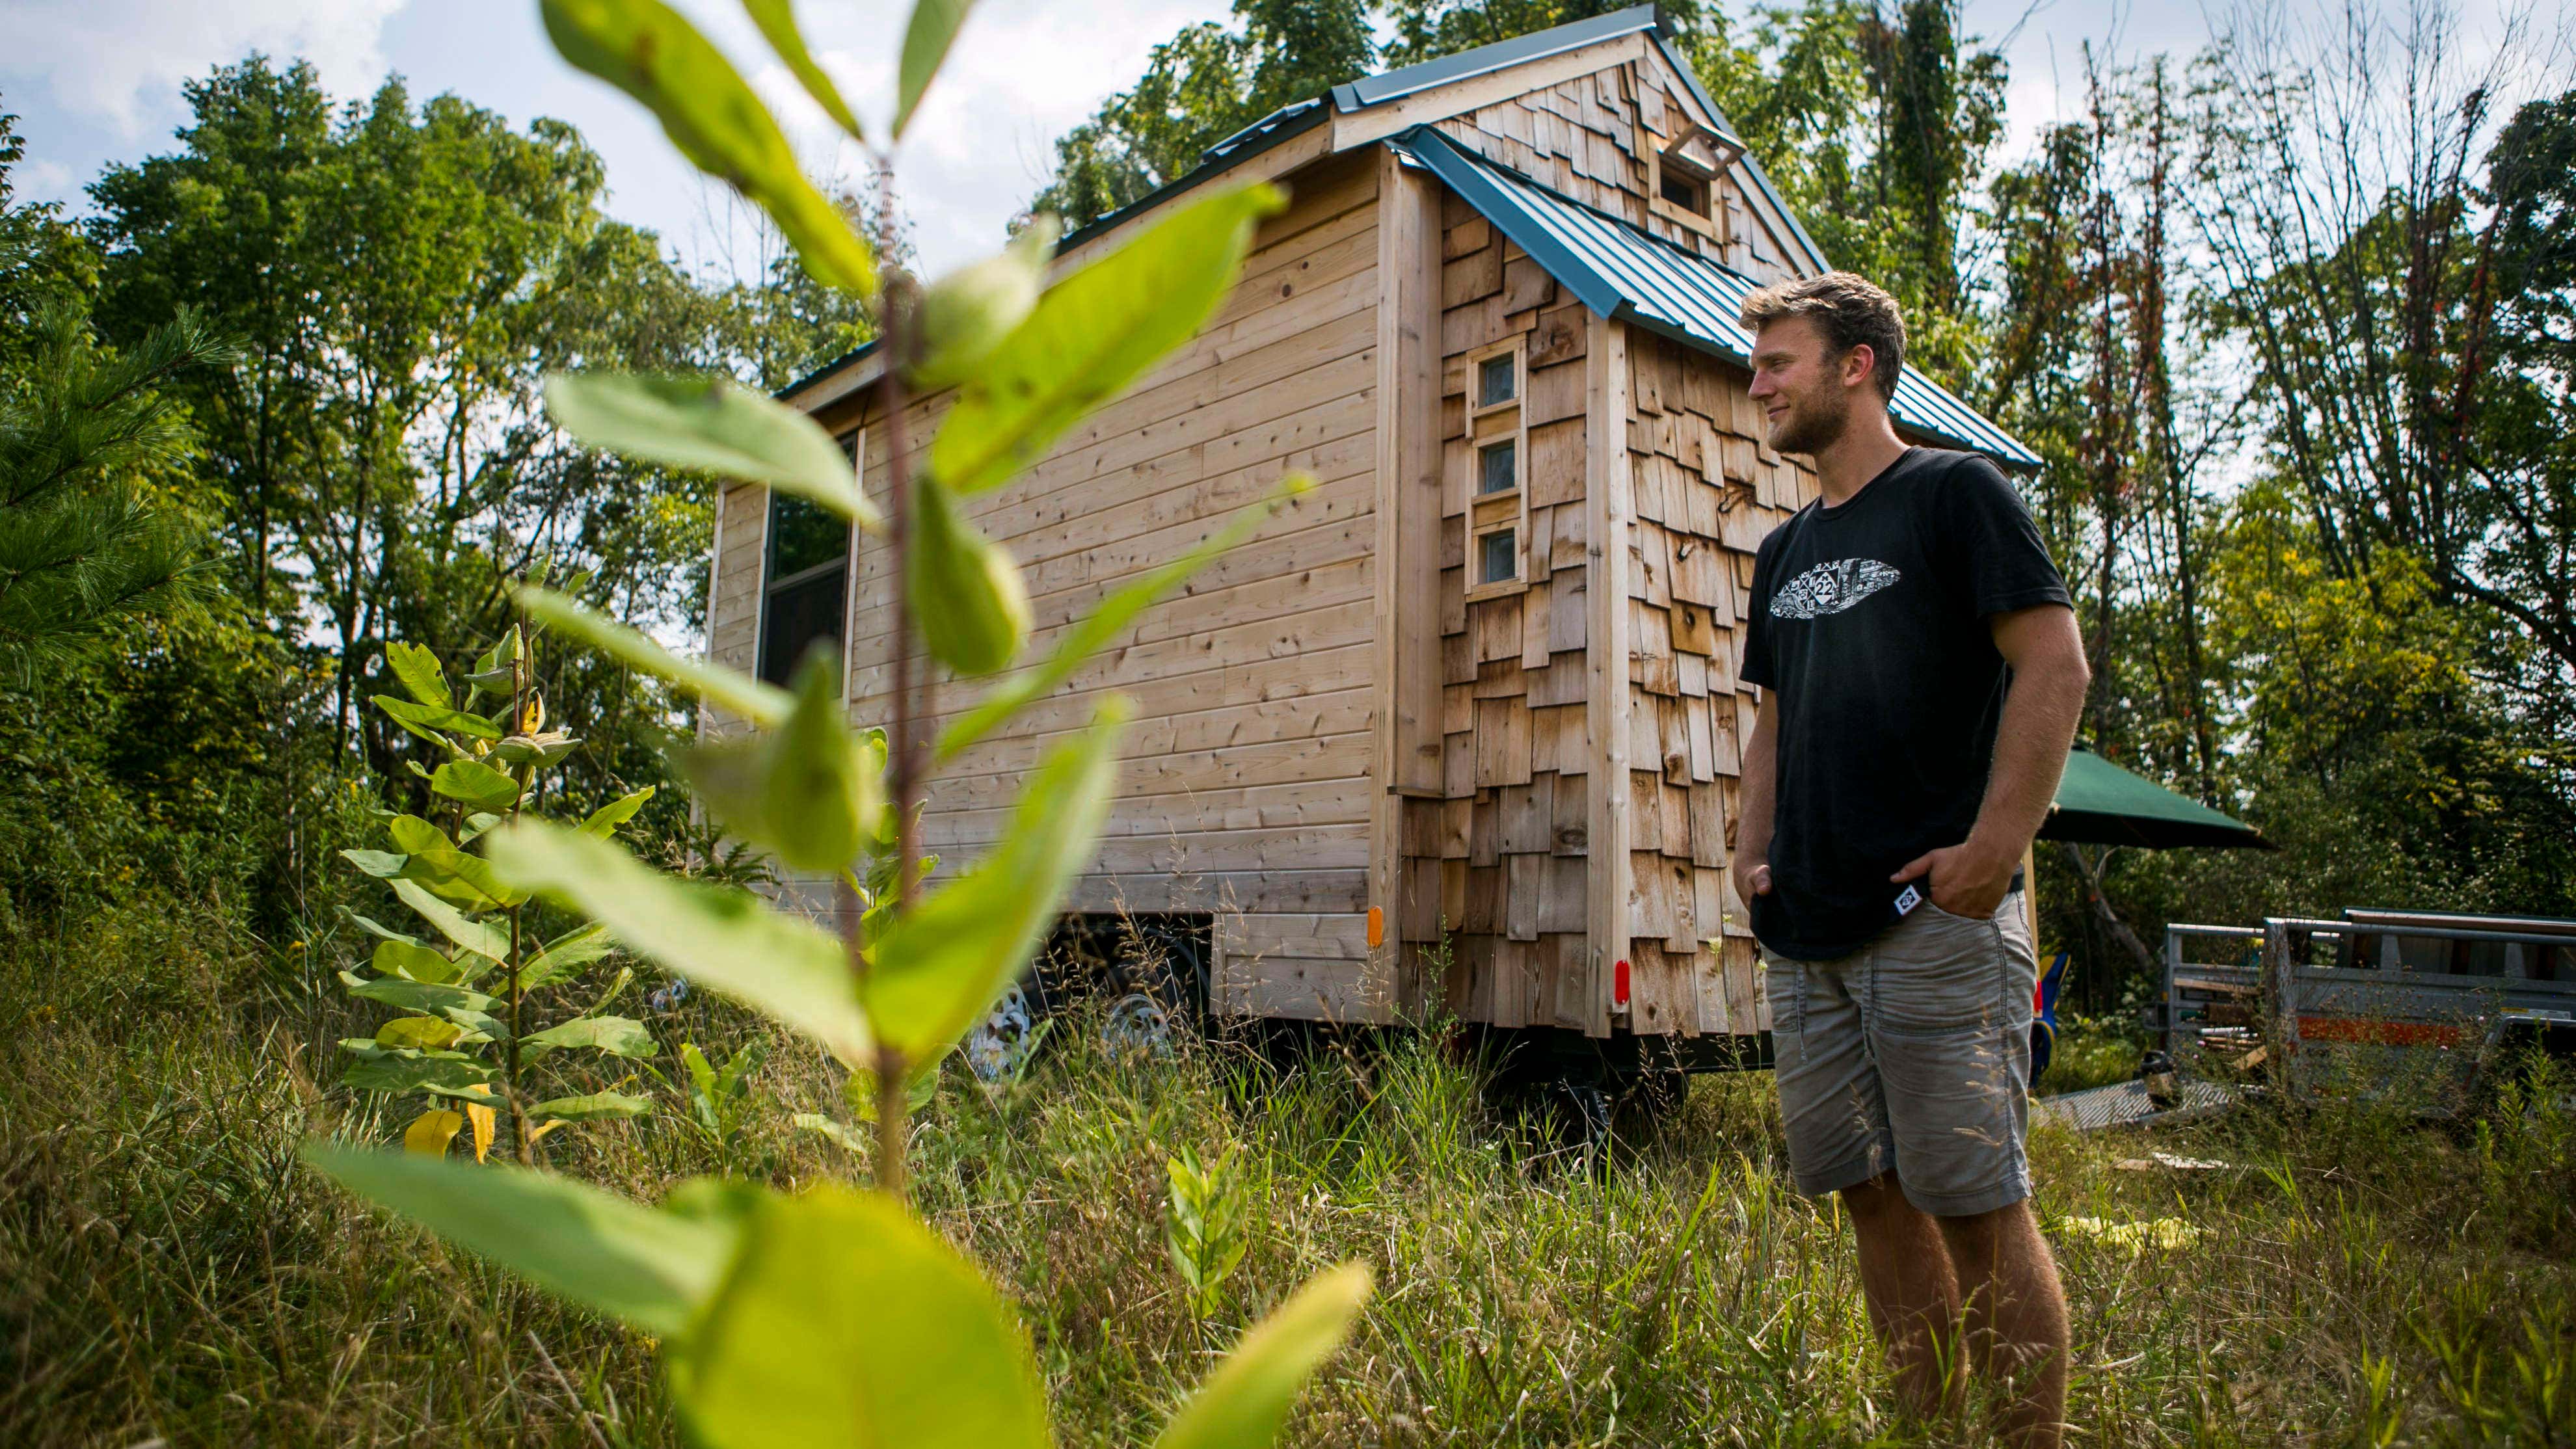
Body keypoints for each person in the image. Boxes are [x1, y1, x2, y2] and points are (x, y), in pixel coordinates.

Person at [1727, 273, 2089, 1447]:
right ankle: (1931, 1430)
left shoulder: (1955, 495)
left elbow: (2056, 665)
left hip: (1936, 917)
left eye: (1780, 361)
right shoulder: (1785, 550)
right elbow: (1776, 719)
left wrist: (1999, 846)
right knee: (1867, 1196)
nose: (1758, 383)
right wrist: (1750, 845)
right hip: (1809, 928)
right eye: (1758, 363)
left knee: (1975, 1202)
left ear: (1855, 366)